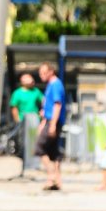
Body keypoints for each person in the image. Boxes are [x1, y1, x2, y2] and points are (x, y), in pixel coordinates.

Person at [36, 62, 66, 191]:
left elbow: (57, 105)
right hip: (49, 120)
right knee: (53, 152)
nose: (41, 75)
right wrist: (43, 122)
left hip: (53, 121)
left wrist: (52, 124)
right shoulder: (50, 85)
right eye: (40, 73)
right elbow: (47, 107)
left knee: (39, 147)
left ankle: (51, 176)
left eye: (44, 72)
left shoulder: (55, 85)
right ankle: (57, 181)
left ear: (51, 71)